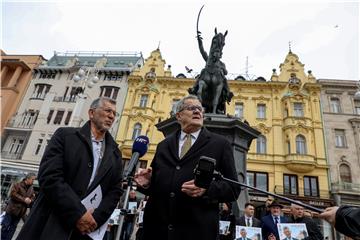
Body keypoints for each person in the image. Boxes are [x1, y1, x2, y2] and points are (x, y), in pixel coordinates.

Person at [134, 95, 241, 240]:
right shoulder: (163, 145)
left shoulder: (220, 144)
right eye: (191, 108)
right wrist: (146, 183)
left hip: (196, 231)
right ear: (178, 115)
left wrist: (207, 189)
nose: (197, 111)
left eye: (199, 108)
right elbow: (158, 186)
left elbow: (233, 188)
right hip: (157, 230)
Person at [17, 97, 124, 240]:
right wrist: (78, 213)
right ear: (91, 113)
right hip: (50, 223)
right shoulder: (65, 136)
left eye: (114, 114)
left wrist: (95, 219)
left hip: (84, 231)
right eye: (107, 111)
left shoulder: (115, 153)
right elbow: (50, 177)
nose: (111, 116)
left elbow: (115, 190)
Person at [1, 173, 36, 240]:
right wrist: (24, 199)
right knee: (5, 226)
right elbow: (13, 194)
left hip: (20, 212)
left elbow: (33, 197)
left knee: (13, 228)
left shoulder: (31, 188)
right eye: (32, 179)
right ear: (27, 179)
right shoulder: (17, 185)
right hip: (12, 210)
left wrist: (30, 200)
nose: (33, 181)